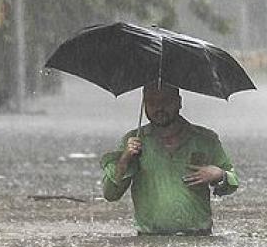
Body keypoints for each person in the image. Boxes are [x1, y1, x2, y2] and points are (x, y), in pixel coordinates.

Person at [100, 82, 239, 236]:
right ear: (144, 104)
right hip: (149, 241)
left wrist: (219, 175)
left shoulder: (205, 140)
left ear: (179, 102)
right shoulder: (134, 141)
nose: (159, 108)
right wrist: (124, 159)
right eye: (152, 102)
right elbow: (110, 194)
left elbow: (233, 181)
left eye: (165, 101)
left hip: (198, 239)